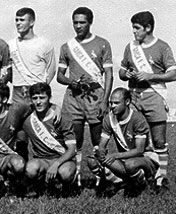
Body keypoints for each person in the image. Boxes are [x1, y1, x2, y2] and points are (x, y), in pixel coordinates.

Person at [118, 11, 176, 192]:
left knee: (159, 141)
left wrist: (150, 75)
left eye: (137, 28)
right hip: (134, 96)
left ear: (148, 28)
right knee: (133, 141)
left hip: (154, 96)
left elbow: (173, 74)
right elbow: (121, 71)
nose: (134, 32)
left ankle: (161, 180)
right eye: (133, 28)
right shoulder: (131, 47)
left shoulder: (162, 47)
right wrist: (126, 74)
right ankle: (136, 177)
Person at [56, 7, 113, 185]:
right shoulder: (66, 47)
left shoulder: (102, 43)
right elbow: (59, 75)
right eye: (75, 22)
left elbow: (109, 75)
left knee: (98, 140)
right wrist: (70, 82)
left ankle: (100, 178)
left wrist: (105, 100)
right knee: (75, 140)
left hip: (95, 96)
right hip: (73, 97)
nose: (78, 26)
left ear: (90, 22)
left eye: (82, 22)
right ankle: (77, 179)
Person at [87, 88, 159, 197]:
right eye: (111, 103)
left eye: (116, 103)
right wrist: (100, 151)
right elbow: (102, 143)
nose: (112, 106)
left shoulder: (137, 118)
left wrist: (116, 155)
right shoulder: (109, 119)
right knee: (92, 160)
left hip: (146, 158)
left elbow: (139, 150)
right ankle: (119, 183)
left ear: (127, 102)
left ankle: (144, 182)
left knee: (131, 164)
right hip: (125, 158)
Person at [23, 83, 77, 197]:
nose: (38, 102)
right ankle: (41, 186)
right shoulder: (27, 119)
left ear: (49, 98)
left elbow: (72, 150)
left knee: (65, 173)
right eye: (35, 98)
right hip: (42, 160)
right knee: (30, 168)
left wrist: (56, 164)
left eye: (42, 98)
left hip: (62, 159)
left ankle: (68, 187)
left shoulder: (62, 117)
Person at [9, 7, 56, 105]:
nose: (18, 23)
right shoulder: (11, 45)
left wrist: (40, 89)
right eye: (16, 20)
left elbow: (51, 70)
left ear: (32, 22)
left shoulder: (44, 43)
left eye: (22, 20)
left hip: (37, 92)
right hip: (18, 93)